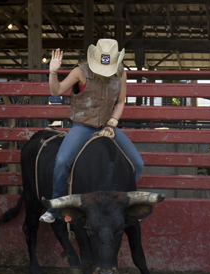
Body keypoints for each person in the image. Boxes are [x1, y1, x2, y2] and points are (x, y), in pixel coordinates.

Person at [40, 38, 144, 223]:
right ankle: (56, 208)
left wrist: (112, 124)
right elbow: (56, 91)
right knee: (62, 161)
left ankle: (122, 205)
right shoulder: (80, 72)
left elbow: (120, 102)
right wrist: (53, 72)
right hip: (82, 126)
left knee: (138, 163)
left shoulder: (120, 74)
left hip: (108, 126)